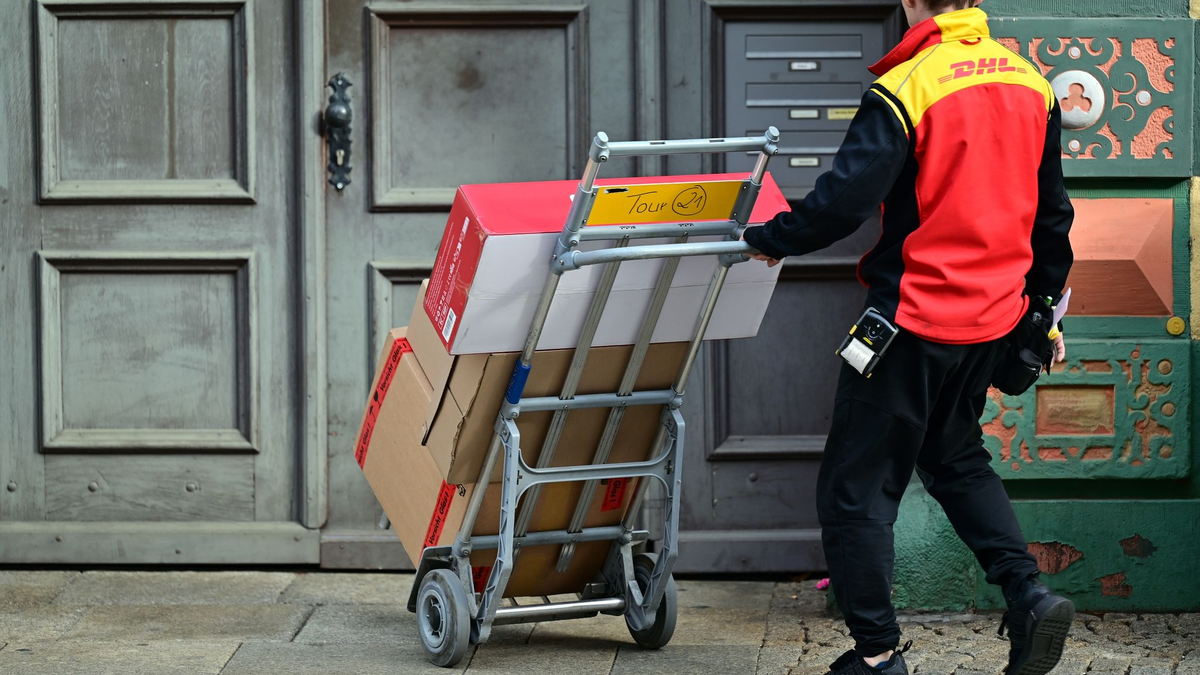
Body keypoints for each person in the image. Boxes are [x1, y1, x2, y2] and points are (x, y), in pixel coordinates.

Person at [740, 1, 1076, 674]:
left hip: (913, 322)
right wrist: (1044, 312)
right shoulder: (1030, 83)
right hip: (991, 321)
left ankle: (874, 653)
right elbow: (1053, 215)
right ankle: (1027, 591)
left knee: (854, 487)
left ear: (909, 2)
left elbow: (842, 202)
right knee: (953, 455)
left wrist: (769, 239)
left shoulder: (908, 86)